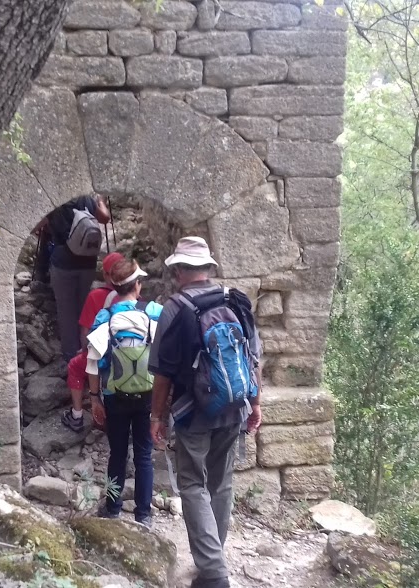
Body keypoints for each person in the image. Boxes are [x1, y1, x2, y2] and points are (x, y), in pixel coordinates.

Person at [148, 237, 263, 588]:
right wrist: (255, 404)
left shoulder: (175, 308)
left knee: (193, 484)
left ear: (180, 270)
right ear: (209, 269)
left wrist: (156, 417)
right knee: (221, 483)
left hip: (192, 411)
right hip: (234, 407)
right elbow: (253, 358)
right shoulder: (237, 301)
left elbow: (163, 374)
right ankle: (213, 559)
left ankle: (213, 572)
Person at [84, 259, 163, 527]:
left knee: (117, 453)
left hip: (114, 396)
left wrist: (95, 398)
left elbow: (92, 362)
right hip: (148, 395)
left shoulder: (106, 318)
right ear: (138, 285)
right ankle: (144, 515)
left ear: (114, 288)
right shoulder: (154, 313)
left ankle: (113, 508)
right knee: (143, 455)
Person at [61, 251, 125, 433]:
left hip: (103, 356)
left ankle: (77, 416)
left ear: (105, 275)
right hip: (130, 356)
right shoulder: (136, 296)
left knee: (75, 366)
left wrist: (83, 352)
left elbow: (85, 332)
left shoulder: (96, 296)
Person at [46, 195, 111, 363]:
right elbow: (105, 217)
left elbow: (33, 227)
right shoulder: (86, 198)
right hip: (87, 262)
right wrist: (101, 201)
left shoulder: (53, 199)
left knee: (66, 311)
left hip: (63, 263)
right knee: (84, 309)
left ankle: (71, 358)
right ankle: (88, 355)